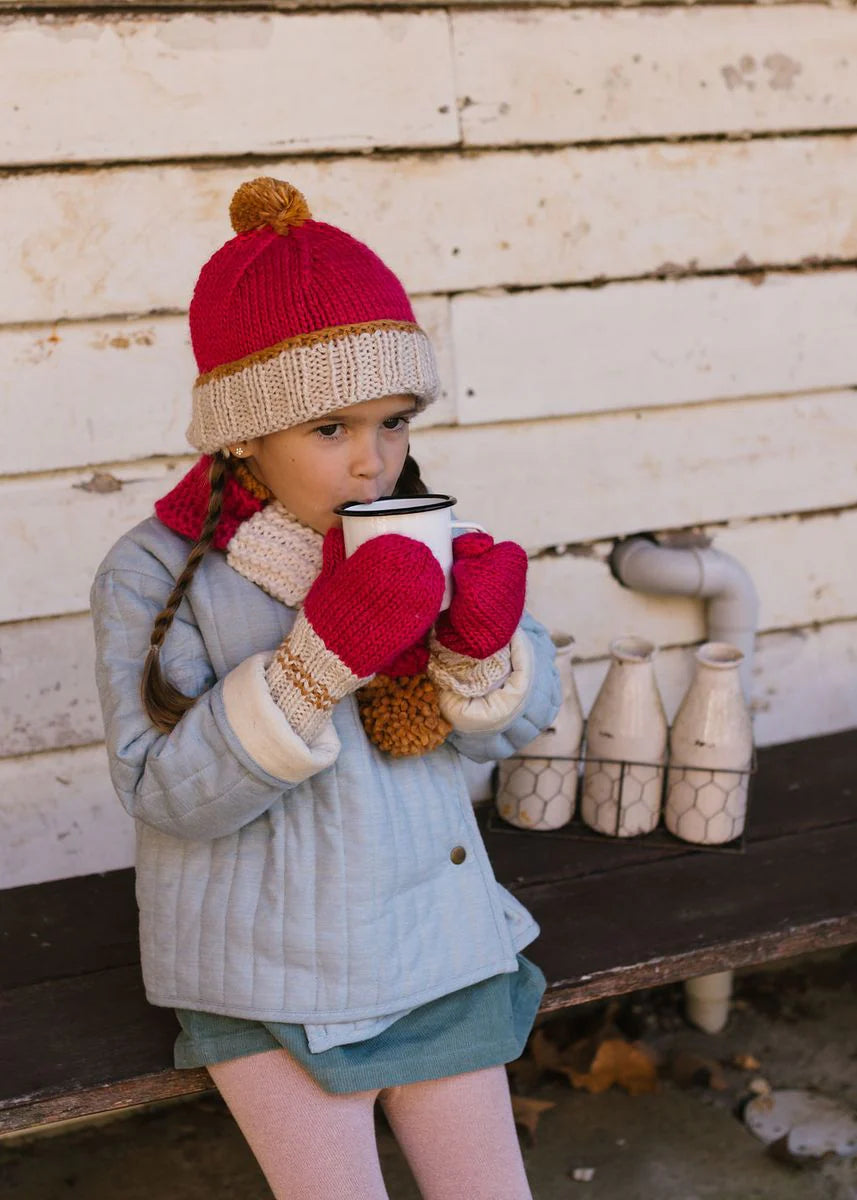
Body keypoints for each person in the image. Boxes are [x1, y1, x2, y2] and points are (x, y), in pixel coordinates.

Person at [91, 177, 561, 1200]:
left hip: (435, 943)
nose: (372, 463)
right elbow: (162, 792)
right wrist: (314, 664)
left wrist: (478, 652)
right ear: (242, 432)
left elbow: (513, 728)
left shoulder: (425, 533)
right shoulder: (152, 572)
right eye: (329, 429)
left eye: (393, 422)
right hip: (261, 972)